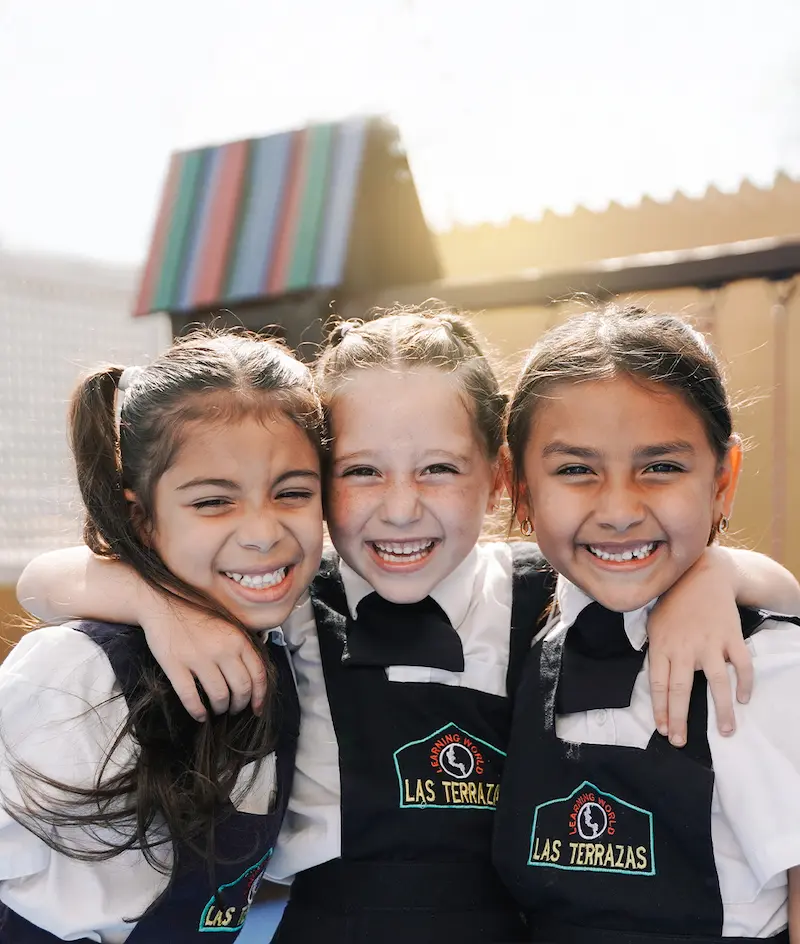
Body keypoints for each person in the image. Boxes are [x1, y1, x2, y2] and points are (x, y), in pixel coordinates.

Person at [17, 310, 800, 943]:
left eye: (438, 468)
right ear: (318, 483)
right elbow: (46, 582)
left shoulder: (546, 592)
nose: (399, 507)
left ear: (499, 476)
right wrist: (161, 608)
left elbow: (759, 591)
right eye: (360, 471)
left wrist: (717, 573)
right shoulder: (285, 600)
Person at [0, 331, 325, 942]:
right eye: (212, 503)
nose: (262, 531)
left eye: (294, 493)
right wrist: (154, 603)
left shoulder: (298, 643)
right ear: (140, 519)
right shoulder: (78, 673)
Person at [493, 305, 800, 943]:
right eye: (576, 470)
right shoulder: (518, 633)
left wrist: (724, 573)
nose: (618, 510)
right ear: (518, 486)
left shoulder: (762, 665)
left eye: (660, 467)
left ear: (723, 481)